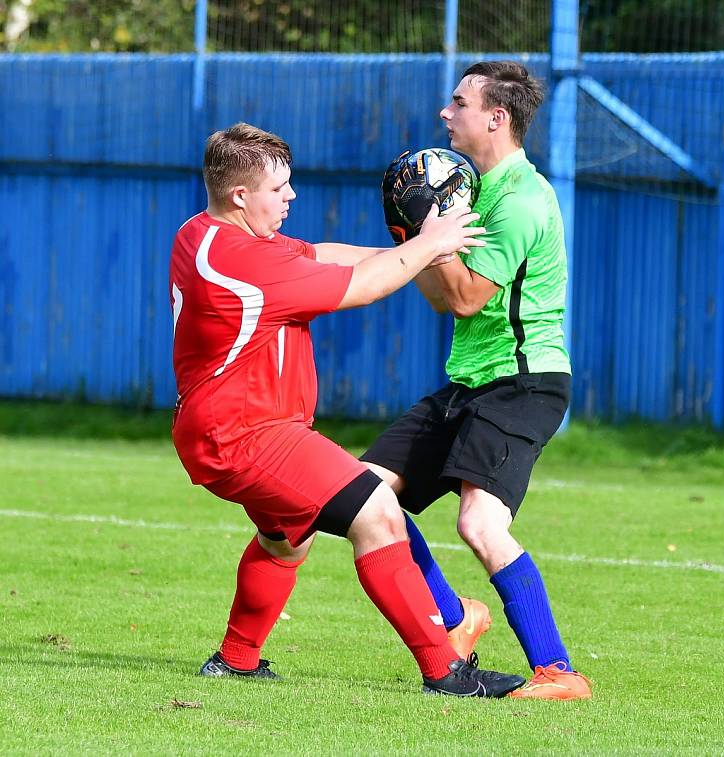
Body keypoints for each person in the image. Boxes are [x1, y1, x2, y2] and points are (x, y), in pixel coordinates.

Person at [168, 122, 526, 698]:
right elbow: (359, 286)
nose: (291, 197)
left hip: (223, 429)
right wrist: (427, 245)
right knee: (378, 512)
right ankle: (446, 671)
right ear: (241, 195)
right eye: (279, 188)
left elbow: (322, 255)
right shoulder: (245, 264)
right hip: (248, 435)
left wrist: (418, 251)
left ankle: (236, 659)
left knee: (287, 540)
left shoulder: (204, 234)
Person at [362, 61, 593, 700]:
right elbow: (444, 297)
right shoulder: (477, 190)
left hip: (523, 384)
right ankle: (458, 616)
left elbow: (463, 298)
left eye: (458, 103)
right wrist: (421, 236)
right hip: (470, 382)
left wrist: (430, 239)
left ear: (496, 117)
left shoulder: (520, 198)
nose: (446, 113)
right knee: (363, 496)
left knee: (479, 525)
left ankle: (557, 671)